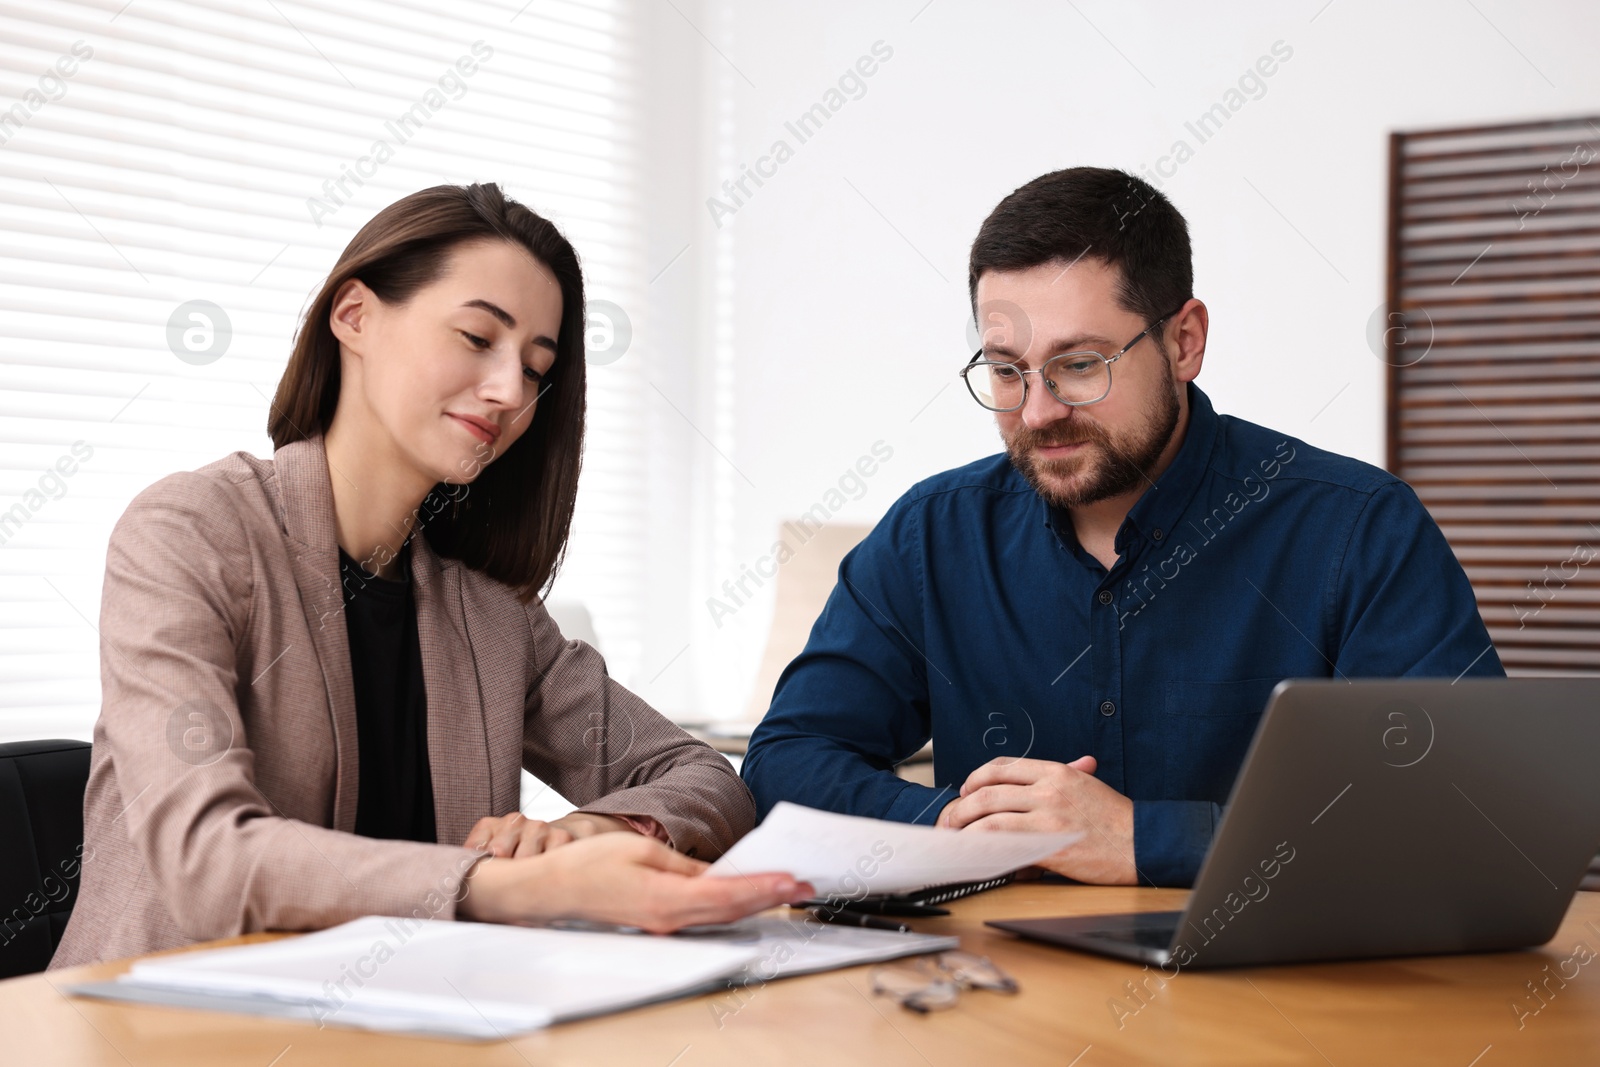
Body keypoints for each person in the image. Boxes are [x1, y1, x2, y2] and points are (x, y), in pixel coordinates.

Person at [51, 184, 808, 969]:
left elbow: (701, 776)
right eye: (478, 336)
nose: (511, 391)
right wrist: (512, 887)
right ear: (354, 316)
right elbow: (206, 856)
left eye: (535, 369)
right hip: (158, 1031)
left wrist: (593, 833)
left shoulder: (487, 608)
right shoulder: (193, 530)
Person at [740, 166, 1502, 888]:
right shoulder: (929, 537)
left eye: (1079, 364)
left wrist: (1144, 839)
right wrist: (965, 825)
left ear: (1184, 342)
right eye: (1007, 370)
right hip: (1003, 1000)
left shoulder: (1356, 528)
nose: (1037, 412)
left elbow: (1461, 818)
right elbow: (786, 758)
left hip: (1273, 998)